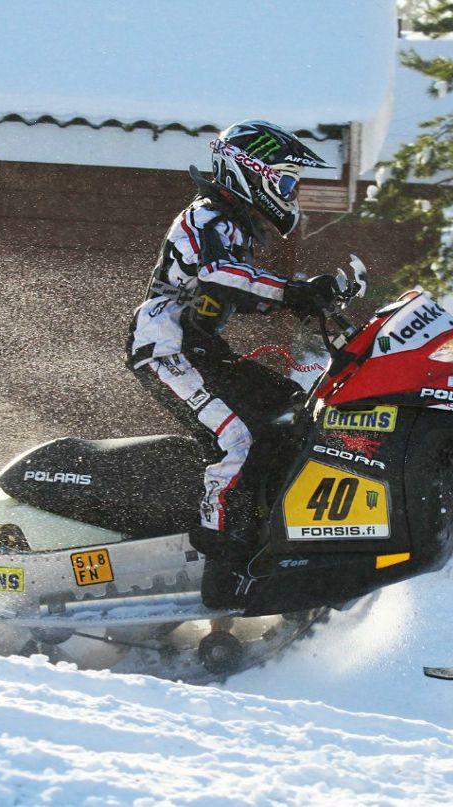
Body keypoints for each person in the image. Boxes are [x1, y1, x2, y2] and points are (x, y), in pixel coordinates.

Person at [127, 120, 342, 606]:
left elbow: (240, 292)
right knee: (238, 437)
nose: (291, 194)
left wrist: (307, 300)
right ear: (252, 173)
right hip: (164, 350)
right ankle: (222, 571)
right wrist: (294, 291)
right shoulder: (207, 217)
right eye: (286, 183)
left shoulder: (232, 224)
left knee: (293, 412)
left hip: (200, 350)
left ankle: (276, 537)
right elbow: (220, 276)